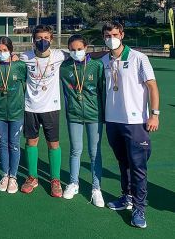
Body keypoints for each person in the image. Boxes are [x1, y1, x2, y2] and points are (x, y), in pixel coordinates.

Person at [100, 22, 159, 228]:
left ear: (122, 35)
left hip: (135, 122)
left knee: (138, 168)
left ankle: (139, 209)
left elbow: (152, 86)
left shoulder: (138, 58)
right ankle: (126, 197)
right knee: (122, 163)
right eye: (107, 35)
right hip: (112, 121)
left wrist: (154, 115)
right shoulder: (104, 59)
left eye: (114, 34)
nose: (111, 38)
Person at [20, 25, 68, 197]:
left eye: (46, 38)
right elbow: (10, 58)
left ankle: (55, 180)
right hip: (30, 107)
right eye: (39, 38)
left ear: (51, 39)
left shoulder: (60, 55)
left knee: (53, 143)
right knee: (31, 142)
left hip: (51, 107)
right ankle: (32, 177)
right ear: (33, 39)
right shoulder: (25, 56)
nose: (43, 41)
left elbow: (83, 54)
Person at [59, 34, 105, 207]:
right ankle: (73, 183)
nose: (76, 52)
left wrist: (104, 115)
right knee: (75, 150)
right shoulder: (64, 67)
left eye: (79, 49)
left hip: (95, 115)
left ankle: (96, 188)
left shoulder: (96, 66)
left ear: (86, 48)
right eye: (72, 49)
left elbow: (102, 91)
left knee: (95, 153)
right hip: (74, 114)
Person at [0, 36, 27, 193]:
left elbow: (29, 84)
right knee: (3, 143)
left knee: (14, 144)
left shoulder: (20, 66)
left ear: (11, 51)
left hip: (17, 112)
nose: (1, 53)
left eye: (5, 50)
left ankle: (14, 177)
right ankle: (5, 174)